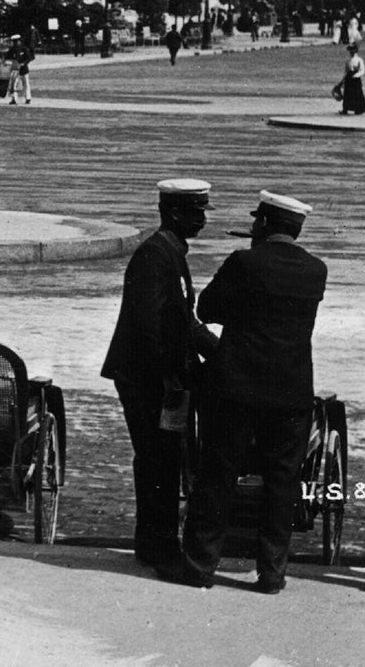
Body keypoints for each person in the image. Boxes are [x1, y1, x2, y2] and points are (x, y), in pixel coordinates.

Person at [168, 191, 328, 594]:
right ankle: (272, 573)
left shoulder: (244, 262)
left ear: (263, 224)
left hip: (236, 388)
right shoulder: (316, 270)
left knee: (217, 477)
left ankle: (200, 565)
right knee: (281, 484)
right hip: (291, 392)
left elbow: (208, 309)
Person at [102, 179, 219, 570]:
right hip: (148, 380)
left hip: (158, 377)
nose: (202, 219)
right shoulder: (155, 255)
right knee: (157, 460)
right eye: (196, 212)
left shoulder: (171, 251)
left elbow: (184, 320)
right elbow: (149, 326)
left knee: (164, 460)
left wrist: (219, 354)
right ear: (173, 213)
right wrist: (170, 378)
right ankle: (157, 546)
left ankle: (156, 543)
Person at [338, 43, 365, 115]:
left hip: (355, 79)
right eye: (350, 50)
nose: (351, 52)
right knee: (347, 94)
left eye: (353, 50)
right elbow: (346, 71)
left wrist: (356, 75)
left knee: (357, 94)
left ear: (356, 51)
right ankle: (345, 109)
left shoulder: (359, 60)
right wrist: (342, 80)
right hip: (349, 78)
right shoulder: (348, 60)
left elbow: (362, 70)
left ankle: (358, 109)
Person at [12, 38, 34, 106]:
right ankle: (14, 99)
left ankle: (28, 98)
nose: (15, 43)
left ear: (20, 41)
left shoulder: (24, 49)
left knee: (26, 84)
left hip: (24, 69)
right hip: (16, 69)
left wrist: (24, 63)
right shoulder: (14, 49)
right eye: (14, 42)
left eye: (16, 41)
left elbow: (30, 57)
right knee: (14, 84)